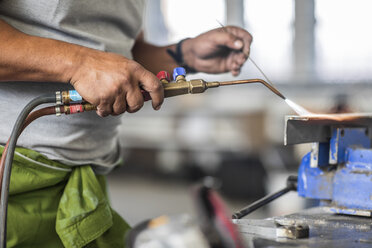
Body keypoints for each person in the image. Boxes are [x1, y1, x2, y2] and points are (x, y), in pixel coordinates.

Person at [0, 1, 252, 247]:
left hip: (84, 181)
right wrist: (80, 64)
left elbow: (120, 56)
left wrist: (184, 54)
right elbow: (93, 63)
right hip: (15, 178)